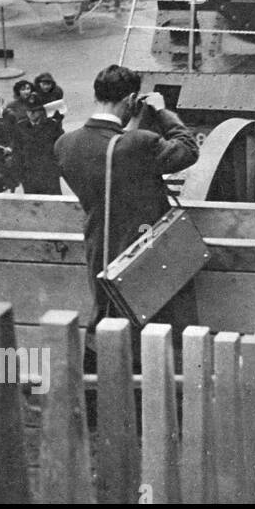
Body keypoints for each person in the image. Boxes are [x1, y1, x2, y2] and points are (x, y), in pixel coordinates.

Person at [53, 65, 200, 352]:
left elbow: (113, 164)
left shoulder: (65, 144)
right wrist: (162, 111)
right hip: (144, 252)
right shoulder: (139, 143)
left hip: (102, 250)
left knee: (111, 322)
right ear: (132, 99)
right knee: (156, 325)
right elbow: (188, 148)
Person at [12, 101, 64, 194]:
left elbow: (60, 148)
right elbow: (16, 151)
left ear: (41, 112)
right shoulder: (20, 127)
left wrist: (57, 169)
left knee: (53, 202)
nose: (31, 114)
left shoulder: (52, 126)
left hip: (48, 173)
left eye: (34, 111)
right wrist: (18, 173)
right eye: (28, 111)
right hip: (28, 173)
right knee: (33, 203)